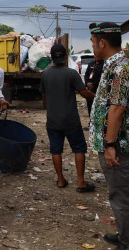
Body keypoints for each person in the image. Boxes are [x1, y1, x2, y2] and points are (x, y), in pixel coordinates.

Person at [89, 22, 129, 250]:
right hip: (120, 139)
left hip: (117, 145)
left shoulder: (120, 69)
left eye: (93, 42)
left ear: (102, 43)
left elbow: (117, 109)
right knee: (117, 193)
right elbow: (124, 105)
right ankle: (124, 234)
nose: (92, 46)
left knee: (121, 195)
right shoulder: (116, 66)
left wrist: (109, 145)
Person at [40, 43, 96, 192]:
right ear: (65, 57)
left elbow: (44, 96)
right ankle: (80, 182)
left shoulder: (45, 74)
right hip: (71, 119)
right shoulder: (72, 73)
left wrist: (50, 107)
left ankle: (60, 180)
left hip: (53, 119)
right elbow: (83, 92)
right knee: (79, 148)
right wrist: (97, 97)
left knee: (56, 150)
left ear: (52, 58)